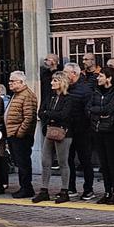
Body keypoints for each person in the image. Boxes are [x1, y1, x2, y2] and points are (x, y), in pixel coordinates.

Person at [89, 66, 114, 205]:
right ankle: (107, 192)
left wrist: (99, 111)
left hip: (111, 130)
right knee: (103, 164)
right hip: (97, 129)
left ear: (109, 78)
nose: (98, 78)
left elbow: (110, 109)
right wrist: (100, 112)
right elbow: (89, 108)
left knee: (112, 163)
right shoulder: (95, 90)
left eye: (101, 76)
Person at [34, 71, 73, 204]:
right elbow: (40, 112)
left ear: (62, 82)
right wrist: (50, 114)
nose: (52, 83)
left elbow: (64, 115)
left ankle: (65, 190)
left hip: (63, 132)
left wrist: (48, 114)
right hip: (49, 131)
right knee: (45, 161)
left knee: (63, 162)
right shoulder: (49, 96)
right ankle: (44, 190)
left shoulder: (68, 98)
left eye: (55, 81)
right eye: (52, 80)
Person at [63, 62, 96, 200]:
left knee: (85, 161)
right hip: (67, 131)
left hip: (83, 131)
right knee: (68, 159)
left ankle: (88, 189)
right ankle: (71, 187)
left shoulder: (85, 90)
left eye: (65, 72)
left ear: (74, 74)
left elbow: (88, 111)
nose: (63, 75)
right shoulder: (64, 89)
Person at [5, 70, 38, 198]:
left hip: (20, 136)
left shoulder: (27, 95)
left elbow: (29, 117)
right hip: (13, 133)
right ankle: (23, 186)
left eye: (13, 81)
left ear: (21, 82)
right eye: (10, 81)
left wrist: (20, 132)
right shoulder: (17, 94)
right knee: (19, 162)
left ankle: (26, 188)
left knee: (23, 162)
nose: (10, 83)